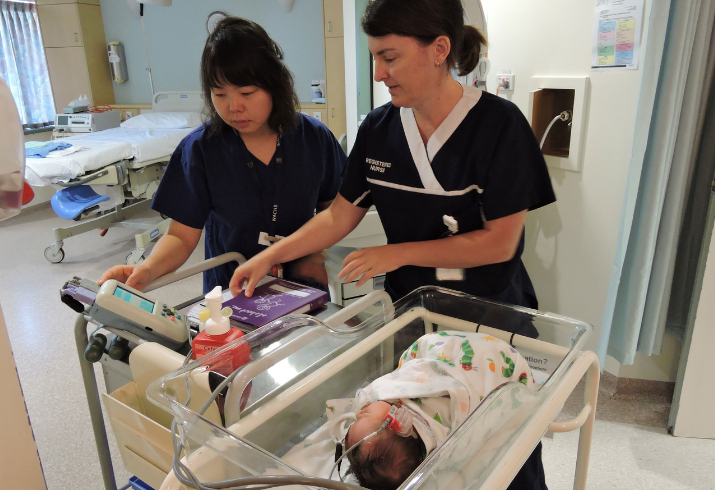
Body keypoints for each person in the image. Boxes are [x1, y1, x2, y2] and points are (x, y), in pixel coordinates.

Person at [230, 1, 554, 488]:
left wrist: (397, 252)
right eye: (375, 58)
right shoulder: (380, 130)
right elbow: (341, 214)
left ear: (440, 49)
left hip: (489, 314)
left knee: (501, 447)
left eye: (390, 58)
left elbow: (500, 244)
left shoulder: (499, 127)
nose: (379, 73)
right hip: (417, 318)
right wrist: (271, 255)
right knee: (410, 452)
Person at [99, 17, 346, 292]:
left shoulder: (313, 138)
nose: (233, 107)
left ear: (275, 86)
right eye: (219, 94)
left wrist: (312, 255)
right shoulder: (201, 150)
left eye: (247, 92)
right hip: (231, 288)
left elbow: (334, 213)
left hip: (302, 284)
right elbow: (181, 236)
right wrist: (147, 268)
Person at [340, 330, 538, 490]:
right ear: (399, 423)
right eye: (364, 415)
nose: (359, 412)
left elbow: (400, 377)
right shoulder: (448, 434)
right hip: (490, 363)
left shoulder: (398, 410)